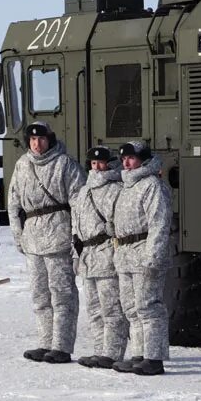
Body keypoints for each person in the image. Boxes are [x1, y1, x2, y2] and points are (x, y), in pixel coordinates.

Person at [8, 121, 86, 364]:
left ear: (49, 139)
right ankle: (45, 342)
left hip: (59, 236)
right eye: (32, 140)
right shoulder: (22, 165)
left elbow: (80, 204)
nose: (36, 144)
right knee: (40, 295)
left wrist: (77, 238)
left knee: (62, 294)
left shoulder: (65, 165)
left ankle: (61, 346)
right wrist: (18, 234)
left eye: (41, 139)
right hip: (33, 238)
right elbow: (13, 202)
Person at [110, 141, 171, 376]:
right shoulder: (126, 187)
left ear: (143, 160)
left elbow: (159, 223)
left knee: (149, 307)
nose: (126, 162)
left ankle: (154, 358)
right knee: (131, 308)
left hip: (144, 252)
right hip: (125, 255)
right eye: (123, 158)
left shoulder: (152, 185)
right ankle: (139, 354)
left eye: (131, 158)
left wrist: (153, 256)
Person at [72, 146, 129, 369]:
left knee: (111, 307)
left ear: (110, 163)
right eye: (94, 164)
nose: (97, 167)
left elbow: (121, 222)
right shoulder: (84, 191)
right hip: (87, 255)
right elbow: (75, 224)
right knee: (94, 309)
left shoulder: (116, 189)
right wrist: (75, 253)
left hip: (106, 252)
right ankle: (99, 349)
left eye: (101, 163)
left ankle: (112, 352)